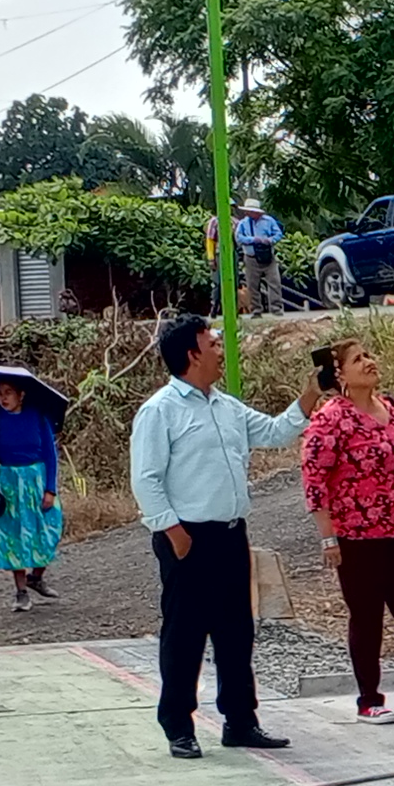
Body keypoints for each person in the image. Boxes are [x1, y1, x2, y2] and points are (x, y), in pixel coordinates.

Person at [129, 310, 305, 759]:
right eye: (211, 344)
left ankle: (240, 721)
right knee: (185, 634)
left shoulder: (226, 406)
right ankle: (178, 726)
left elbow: (274, 431)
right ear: (192, 354)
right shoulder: (160, 411)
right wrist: (175, 533)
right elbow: (146, 479)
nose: (219, 351)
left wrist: (310, 396)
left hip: (230, 534)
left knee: (236, 631)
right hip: (187, 537)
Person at [300, 339, 394, 724]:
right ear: (339, 373)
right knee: (367, 619)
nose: (369, 362)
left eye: (368, 356)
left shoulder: (392, 408)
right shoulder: (331, 419)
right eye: (358, 359)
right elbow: (315, 480)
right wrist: (328, 537)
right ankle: (369, 699)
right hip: (357, 538)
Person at [0, 375, 62, 612]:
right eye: (0, 393)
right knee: (13, 536)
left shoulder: (37, 417)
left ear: (21, 395)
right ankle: (21, 592)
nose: (3, 398)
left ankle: (36, 576)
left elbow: (50, 455)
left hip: (36, 479)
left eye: (8, 392)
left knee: (49, 529)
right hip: (8, 482)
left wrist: (50, 489)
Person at [237, 198, 285, 315]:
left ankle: (276, 308)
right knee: (252, 285)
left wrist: (270, 240)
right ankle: (256, 310)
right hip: (251, 257)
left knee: (274, 282)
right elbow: (239, 237)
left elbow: (278, 234)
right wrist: (253, 240)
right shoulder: (243, 223)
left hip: (268, 257)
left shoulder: (269, 221)